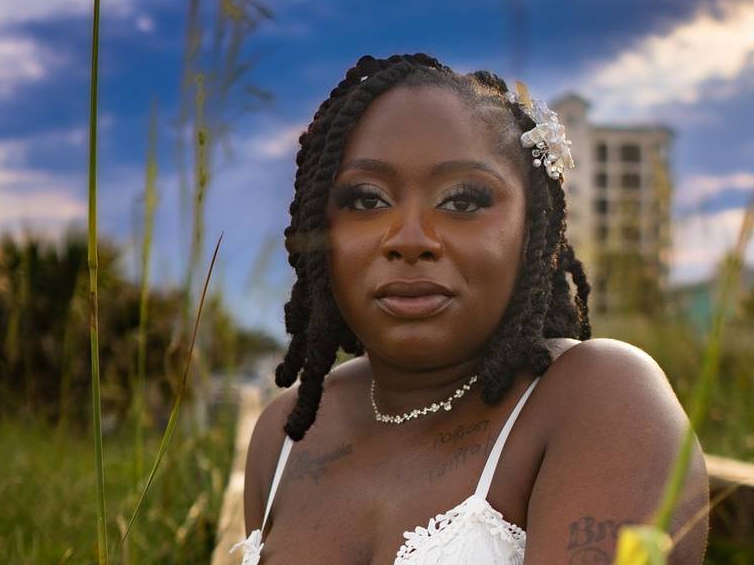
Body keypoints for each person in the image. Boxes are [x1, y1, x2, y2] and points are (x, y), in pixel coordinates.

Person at [236, 53, 708, 564]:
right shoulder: (284, 437)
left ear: (534, 233)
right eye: (367, 200)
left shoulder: (601, 399)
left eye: (462, 201)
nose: (409, 239)